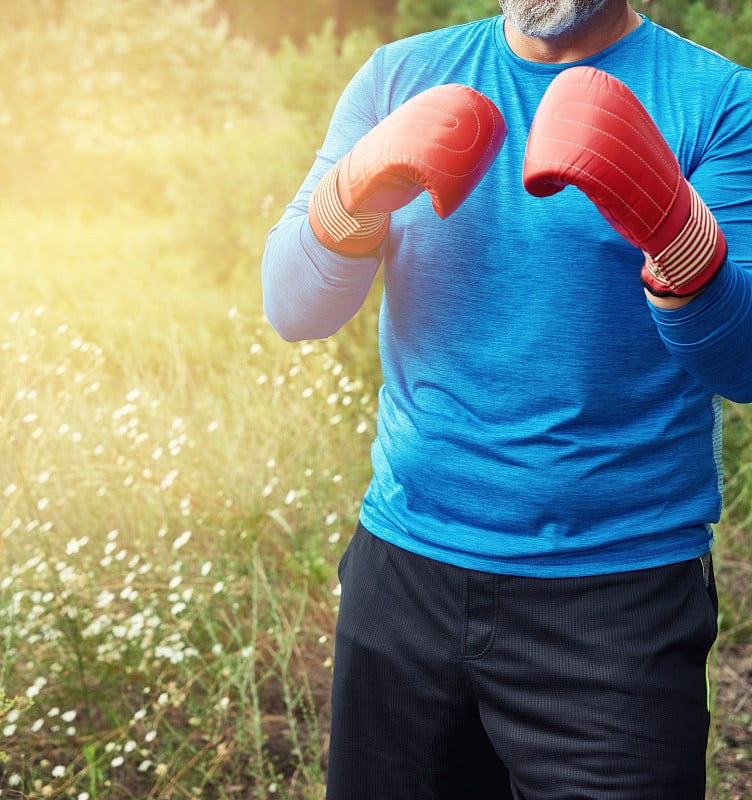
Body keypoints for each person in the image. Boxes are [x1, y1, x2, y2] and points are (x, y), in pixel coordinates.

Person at [262, 0, 752, 797]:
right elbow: (294, 307)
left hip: (615, 602)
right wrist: (351, 194)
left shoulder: (720, 100)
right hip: (404, 574)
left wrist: (679, 238)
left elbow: (745, 365)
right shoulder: (398, 76)